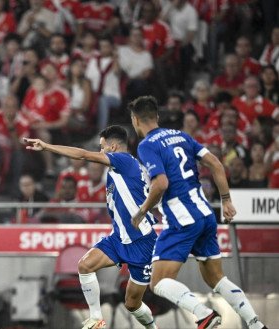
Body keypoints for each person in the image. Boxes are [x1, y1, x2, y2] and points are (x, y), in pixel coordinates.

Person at [128, 96, 268, 329]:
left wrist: (142, 210)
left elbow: (161, 183)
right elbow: (215, 163)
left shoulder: (147, 145)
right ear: (157, 117)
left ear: (135, 120)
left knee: (159, 281)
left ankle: (204, 314)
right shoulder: (181, 136)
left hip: (182, 220)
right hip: (205, 214)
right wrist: (226, 201)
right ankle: (255, 324)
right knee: (216, 277)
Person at [25, 125, 158, 329]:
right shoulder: (119, 170)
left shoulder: (123, 160)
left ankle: (152, 328)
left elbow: (84, 155)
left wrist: (47, 147)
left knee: (132, 304)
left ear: (113, 147)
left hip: (141, 241)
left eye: (102, 147)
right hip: (119, 238)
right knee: (85, 265)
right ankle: (96, 318)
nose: (100, 151)